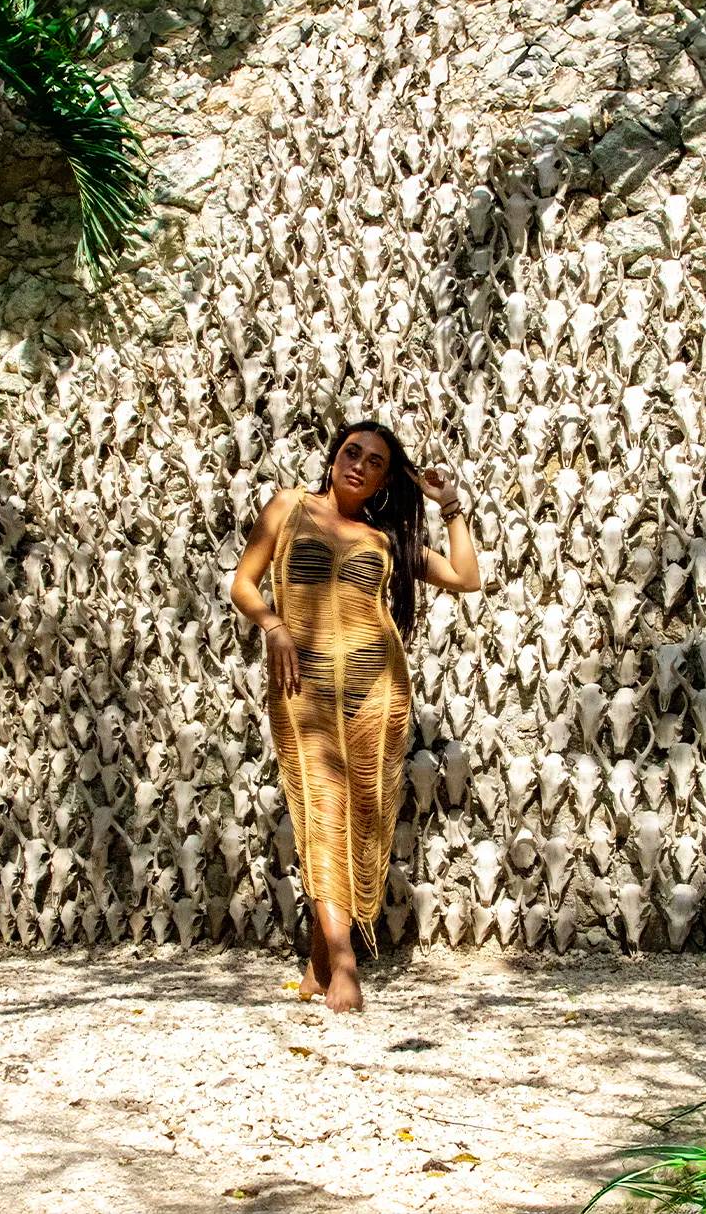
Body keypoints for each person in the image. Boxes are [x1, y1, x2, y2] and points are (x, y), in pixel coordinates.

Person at [230, 419, 481, 1012]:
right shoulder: (290, 508)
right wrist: (272, 626)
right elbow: (243, 582)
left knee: (360, 816)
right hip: (301, 686)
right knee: (321, 807)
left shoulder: (385, 535)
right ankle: (345, 965)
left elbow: (467, 579)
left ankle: (318, 965)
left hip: (378, 688)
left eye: (375, 462)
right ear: (335, 455)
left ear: (385, 479)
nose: (360, 465)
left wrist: (449, 506)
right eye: (353, 452)